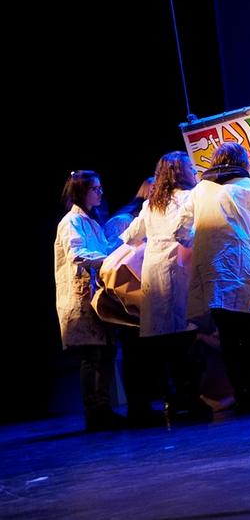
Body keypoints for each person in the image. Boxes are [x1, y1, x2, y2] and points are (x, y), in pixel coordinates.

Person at [177, 142, 250, 413]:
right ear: (242, 162)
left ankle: (241, 395)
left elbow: (180, 231)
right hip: (240, 268)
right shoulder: (248, 186)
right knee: (249, 335)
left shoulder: (200, 190)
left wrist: (202, 241)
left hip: (212, 271)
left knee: (228, 337)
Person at [121, 152, 206, 420]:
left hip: (154, 274)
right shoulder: (191, 197)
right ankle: (189, 397)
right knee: (185, 339)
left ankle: (170, 399)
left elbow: (130, 237)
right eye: (190, 167)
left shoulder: (151, 204)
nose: (194, 171)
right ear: (180, 172)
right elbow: (190, 234)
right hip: (179, 270)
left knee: (162, 342)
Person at [54, 170, 122, 431]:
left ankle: (104, 407)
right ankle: (94, 411)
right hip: (81, 298)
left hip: (97, 297)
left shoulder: (91, 222)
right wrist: (110, 260)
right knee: (92, 354)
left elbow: (103, 250)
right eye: (95, 188)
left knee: (107, 352)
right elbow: (78, 254)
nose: (100, 192)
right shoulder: (71, 222)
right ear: (82, 191)